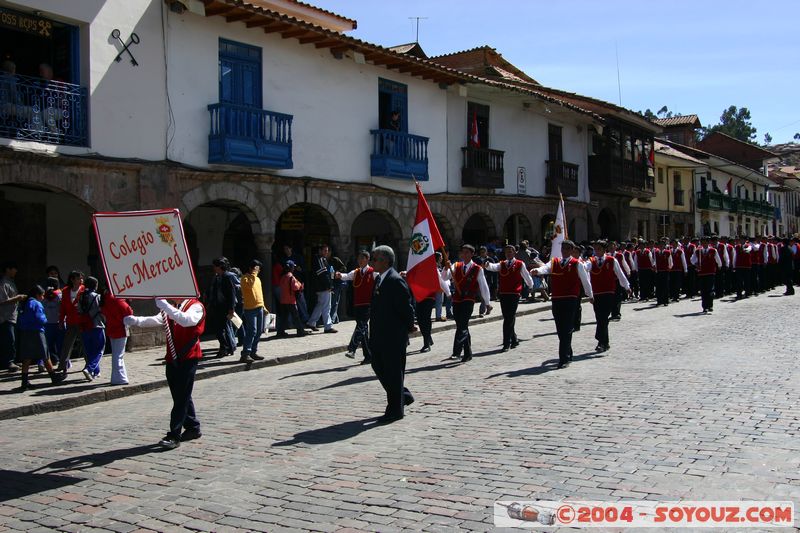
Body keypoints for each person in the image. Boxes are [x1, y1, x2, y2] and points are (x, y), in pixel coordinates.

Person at [125, 297, 206, 449]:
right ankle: (193, 427)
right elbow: (157, 320)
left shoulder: (195, 306)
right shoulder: (173, 306)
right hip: (172, 357)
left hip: (188, 356)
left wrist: (165, 306)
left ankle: (174, 435)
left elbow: (186, 320)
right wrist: (135, 320)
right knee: (180, 394)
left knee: (181, 396)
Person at [368, 245, 415, 424]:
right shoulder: (379, 279)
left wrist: (410, 326)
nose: (373, 262)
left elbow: (406, 306)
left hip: (393, 335)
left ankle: (395, 410)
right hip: (379, 334)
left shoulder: (395, 280)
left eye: (376, 259)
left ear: (386, 261)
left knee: (394, 371)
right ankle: (403, 394)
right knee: (378, 366)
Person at [531, 240, 593, 369]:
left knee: (566, 327)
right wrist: (538, 270)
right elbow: (545, 268)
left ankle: (563, 358)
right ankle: (568, 352)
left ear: (571, 250)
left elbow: (585, 280)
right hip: (557, 298)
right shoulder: (555, 262)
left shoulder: (577, 264)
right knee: (560, 329)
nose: (564, 251)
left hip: (571, 298)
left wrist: (590, 295)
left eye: (567, 249)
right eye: (563, 248)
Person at [441, 244, 493, 362]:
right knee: (461, 326)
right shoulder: (456, 265)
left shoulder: (477, 268)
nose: (464, 255)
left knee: (463, 325)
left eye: (467, 252)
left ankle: (456, 351)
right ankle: (468, 353)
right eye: (462, 252)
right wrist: (445, 267)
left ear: (472, 254)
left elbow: (483, 286)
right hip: (457, 300)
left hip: (469, 300)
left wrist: (487, 302)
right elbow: (444, 278)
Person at [484, 244, 534, 352]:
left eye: (510, 251)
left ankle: (506, 343)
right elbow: (493, 267)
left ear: (515, 252)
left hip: (514, 293)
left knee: (509, 317)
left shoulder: (520, 264)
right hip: (504, 293)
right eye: (507, 252)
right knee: (507, 316)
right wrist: (488, 265)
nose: (508, 253)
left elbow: (526, 276)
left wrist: (530, 286)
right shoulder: (502, 264)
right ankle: (514, 339)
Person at [15, 285, 66, 390]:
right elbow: (40, 318)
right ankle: (53, 376)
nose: (43, 298)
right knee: (45, 354)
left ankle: (24, 382)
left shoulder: (23, 303)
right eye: (42, 295)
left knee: (27, 357)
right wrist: (45, 320)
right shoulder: (36, 304)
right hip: (37, 331)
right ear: (37, 295)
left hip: (25, 332)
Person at [585, 241, 629, 353]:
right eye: (595, 249)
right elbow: (585, 267)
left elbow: (620, 274)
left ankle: (601, 341)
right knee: (600, 317)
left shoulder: (611, 260)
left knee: (604, 316)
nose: (597, 251)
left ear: (604, 250)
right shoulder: (591, 261)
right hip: (596, 293)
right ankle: (605, 342)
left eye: (599, 249)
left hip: (609, 292)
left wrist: (627, 286)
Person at [337, 251, 376, 362]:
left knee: (361, 326)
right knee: (363, 329)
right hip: (358, 304)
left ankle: (352, 349)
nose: (359, 261)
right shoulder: (356, 272)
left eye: (362, 258)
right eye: (358, 258)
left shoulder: (373, 272)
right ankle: (368, 355)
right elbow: (347, 276)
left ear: (367, 259)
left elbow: (382, 279)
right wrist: (340, 275)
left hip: (368, 304)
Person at [205, 257, 237, 358]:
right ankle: (228, 347)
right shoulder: (217, 277)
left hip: (224, 307)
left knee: (221, 329)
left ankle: (225, 347)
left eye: (215, 266)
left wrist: (231, 308)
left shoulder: (227, 277)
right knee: (221, 329)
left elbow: (231, 294)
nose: (214, 268)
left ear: (220, 266)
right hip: (217, 306)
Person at [100, 289, 133, 385]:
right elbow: (128, 312)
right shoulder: (116, 298)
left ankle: (116, 377)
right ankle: (120, 378)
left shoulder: (106, 298)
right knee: (119, 355)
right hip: (120, 328)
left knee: (116, 354)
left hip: (111, 327)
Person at [56, 270, 86, 376]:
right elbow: (63, 307)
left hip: (81, 321)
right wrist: (61, 320)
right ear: (72, 279)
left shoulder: (84, 290)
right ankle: (63, 366)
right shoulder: (65, 291)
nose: (80, 280)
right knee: (67, 344)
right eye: (78, 278)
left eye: (81, 278)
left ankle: (89, 366)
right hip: (70, 321)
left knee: (84, 343)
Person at [240, 260, 267, 364]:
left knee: (259, 331)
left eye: (259, 269)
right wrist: (254, 274)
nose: (258, 271)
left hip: (259, 307)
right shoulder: (245, 278)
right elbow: (250, 286)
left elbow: (260, 294)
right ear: (252, 268)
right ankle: (245, 353)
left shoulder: (258, 279)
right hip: (250, 309)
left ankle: (253, 352)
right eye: (257, 268)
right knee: (252, 331)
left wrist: (263, 306)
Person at [78, 277, 106, 382]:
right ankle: (89, 369)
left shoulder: (80, 297)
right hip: (97, 325)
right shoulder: (97, 297)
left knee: (89, 350)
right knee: (99, 350)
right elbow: (102, 310)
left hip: (85, 326)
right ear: (95, 285)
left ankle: (96, 371)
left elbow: (79, 310)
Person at [0, 261, 25, 372]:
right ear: (8, 269)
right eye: (14, 268)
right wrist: (18, 298)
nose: (16, 271)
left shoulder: (11, 282)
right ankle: (8, 361)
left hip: (13, 316)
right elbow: (3, 300)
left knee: (14, 340)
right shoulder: (4, 283)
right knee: (9, 340)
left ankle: (13, 360)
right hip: (6, 316)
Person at [306, 244, 337, 334]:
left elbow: (327, 273)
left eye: (327, 251)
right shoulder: (319, 259)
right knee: (327, 307)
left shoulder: (322, 259)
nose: (326, 253)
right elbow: (323, 275)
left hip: (322, 287)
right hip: (323, 287)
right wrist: (329, 286)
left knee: (320, 305)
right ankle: (328, 326)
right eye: (324, 251)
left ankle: (311, 322)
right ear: (320, 251)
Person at [691, 237, 722, 313]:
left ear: (708, 243)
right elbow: (692, 259)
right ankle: (704, 306)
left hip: (710, 272)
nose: (704, 244)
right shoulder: (698, 251)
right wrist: (696, 264)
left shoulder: (713, 250)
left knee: (710, 290)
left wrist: (719, 266)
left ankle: (710, 305)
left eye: (705, 242)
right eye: (702, 242)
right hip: (702, 273)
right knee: (703, 290)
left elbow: (718, 260)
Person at [277, 261, 306, 338]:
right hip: (291, 300)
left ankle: (280, 332)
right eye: (293, 267)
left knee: (283, 317)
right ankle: (300, 331)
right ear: (291, 268)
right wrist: (300, 285)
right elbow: (295, 287)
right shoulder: (291, 277)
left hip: (283, 300)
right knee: (296, 317)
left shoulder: (282, 277)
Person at [42, 277, 63, 369]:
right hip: (59, 322)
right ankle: (62, 362)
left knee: (48, 344)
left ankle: (52, 360)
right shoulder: (60, 294)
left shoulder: (43, 296)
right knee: (60, 344)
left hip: (47, 323)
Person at [653, 239, 673, 307]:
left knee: (665, 286)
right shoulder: (656, 252)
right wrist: (654, 265)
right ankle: (659, 300)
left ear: (664, 245)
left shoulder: (667, 252)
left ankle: (665, 300)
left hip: (665, 271)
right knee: (659, 286)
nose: (661, 246)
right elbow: (654, 260)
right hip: (658, 271)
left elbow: (670, 261)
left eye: (662, 244)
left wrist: (669, 267)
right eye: (660, 244)